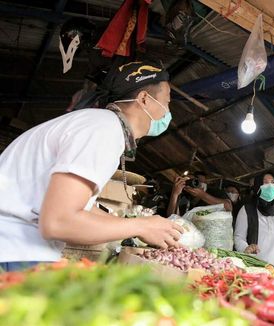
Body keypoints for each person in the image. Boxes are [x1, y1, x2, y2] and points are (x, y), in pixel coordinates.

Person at [0, 60, 185, 271]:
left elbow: (81, 207)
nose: (167, 113)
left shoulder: (97, 124)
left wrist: (139, 229)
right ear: (144, 99)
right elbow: (59, 221)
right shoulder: (103, 130)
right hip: (12, 251)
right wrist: (140, 225)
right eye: (167, 102)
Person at [234, 173, 274, 274]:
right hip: (253, 271)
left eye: (273, 182)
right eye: (265, 182)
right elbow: (238, 237)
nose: (270, 186)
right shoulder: (247, 210)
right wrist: (245, 248)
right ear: (257, 187)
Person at [167, 171, 232, 216]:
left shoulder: (214, 192)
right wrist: (174, 194)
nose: (192, 183)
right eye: (188, 181)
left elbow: (228, 207)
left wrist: (202, 195)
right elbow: (172, 217)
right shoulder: (184, 196)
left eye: (195, 181)